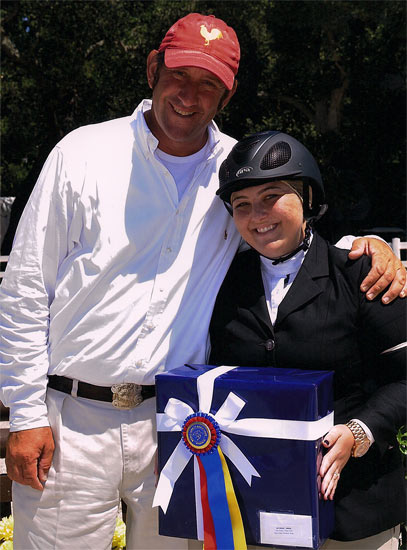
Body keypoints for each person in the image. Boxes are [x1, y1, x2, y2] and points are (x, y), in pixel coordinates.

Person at [0, 13, 404, 550]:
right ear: (152, 70)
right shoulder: (82, 154)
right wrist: (24, 413)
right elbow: (26, 288)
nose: (189, 96)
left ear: (226, 96)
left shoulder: (237, 168)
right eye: (180, 75)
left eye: (208, 84)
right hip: (73, 420)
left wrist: (363, 249)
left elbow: (284, 236)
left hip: (185, 427)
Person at [209, 130, 406, 550]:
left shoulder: (361, 273)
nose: (257, 215)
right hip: (257, 508)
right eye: (241, 205)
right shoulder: (222, 285)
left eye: (271, 197)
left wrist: (361, 430)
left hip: (355, 510)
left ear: (308, 199)